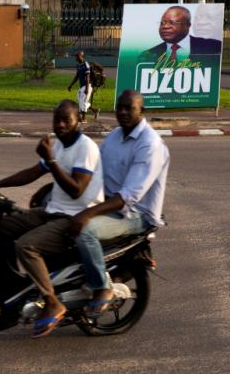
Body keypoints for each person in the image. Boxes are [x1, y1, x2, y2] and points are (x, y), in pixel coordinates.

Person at [0, 99, 103, 338]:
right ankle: (14, 288)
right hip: (53, 210)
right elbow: (33, 173)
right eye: (56, 120)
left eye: (65, 120)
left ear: (78, 121)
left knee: (25, 246)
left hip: (74, 217)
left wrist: (51, 160)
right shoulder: (58, 146)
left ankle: (52, 301)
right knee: (3, 224)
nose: (59, 125)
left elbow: (76, 190)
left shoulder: (85, 147)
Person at [70, 90, 170, 317]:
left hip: (135, 214)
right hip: (109, 203)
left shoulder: (150, 145)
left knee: (85, 230)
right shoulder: (115, 136)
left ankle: (101, 288)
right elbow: (96, 171)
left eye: (129, 108)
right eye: (120, 107)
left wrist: (88, 214)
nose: (123, 112)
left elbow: (129, 196)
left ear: (141, 111)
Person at [140, 6, 222, 62]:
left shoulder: (214, 47)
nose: (165, 26)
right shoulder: (148, 54)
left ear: (187, 25)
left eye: (172, 23)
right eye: (162, 23)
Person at [67, 51, 100, 122]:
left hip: (87, 86)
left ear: (81, 56)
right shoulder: (78, 65)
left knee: (83, 102)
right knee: (80, 102)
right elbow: (77, 76)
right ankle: (95, 110)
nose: (76, 58)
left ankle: (84, 118)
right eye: (76, 56)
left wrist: (87, 89)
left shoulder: (86, 64)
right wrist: (70, 85)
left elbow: (88, 77)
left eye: (77, 56)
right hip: (81, 86)